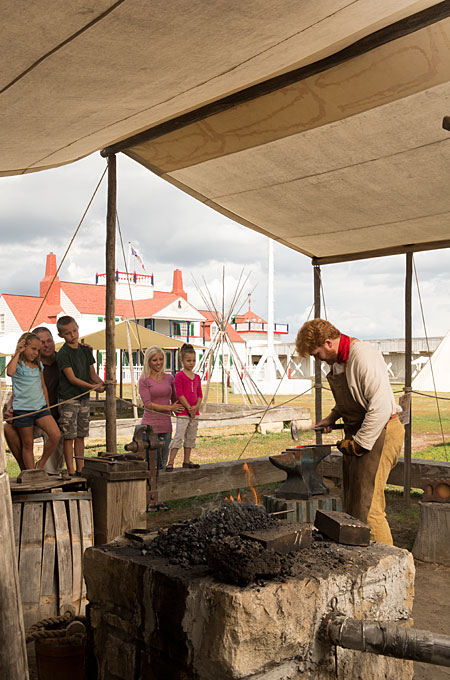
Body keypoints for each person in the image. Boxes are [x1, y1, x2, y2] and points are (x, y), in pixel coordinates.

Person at [295, 318, 404, 545]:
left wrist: (359, 443)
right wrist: (332, 417)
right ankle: (362, 558)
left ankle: (391, 564)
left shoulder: (363, 356)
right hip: (360, 434)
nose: (317, 360)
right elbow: (353, 398)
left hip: (381, 432)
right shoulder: (337, 363)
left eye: (316, 354)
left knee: (370, 508)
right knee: (354, 505)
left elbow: (381, 407)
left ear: (328, 343)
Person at [4, 326, 65, 472]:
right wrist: (17, 352)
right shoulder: (17, 364)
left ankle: (40, 465)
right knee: (28, 445)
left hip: (40, 408)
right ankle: (30, 473)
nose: (36, 352)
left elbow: (42, 387)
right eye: (33, 349)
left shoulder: (38, 365)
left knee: (55, 434)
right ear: (23, 346)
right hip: (24, 410)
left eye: (37, 350)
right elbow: (10, 372)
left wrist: (47, 408)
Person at [56, 316, 105, 475]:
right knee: (69, 435)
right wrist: (93, 387)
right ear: (61, 335)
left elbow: (92, 374)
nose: (73, 335)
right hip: (69, 399)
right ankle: (71, 471)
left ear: (78, 328)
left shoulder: (85, 350)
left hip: (84, 398)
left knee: (81, 435)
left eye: (74, 331)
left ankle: (80, 468)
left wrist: (103, 384)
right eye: (68, 333)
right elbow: (72, 379)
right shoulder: (63, 353)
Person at [138, 345, 183, 470]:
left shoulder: (169, 378)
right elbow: (148, 404)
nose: (159, 363)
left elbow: (176, 400)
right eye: (155, 360)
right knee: (150, 464)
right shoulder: (144, 380)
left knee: (163, 462)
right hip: (150, 427)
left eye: (161, 359)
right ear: (148, 361)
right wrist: (169, 408)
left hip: (166, 426)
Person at [167, 343, 203, 471]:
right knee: (179, 436)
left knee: (191, 436)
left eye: (193, 360)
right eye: (188, 361)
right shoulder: (179, 376)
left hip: (194, 412)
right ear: (182, 360)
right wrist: (189, 407)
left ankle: (186, 460)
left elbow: (200, 394)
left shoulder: (197, 377)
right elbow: (180, 394)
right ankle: (171, 461)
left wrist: (196, 407)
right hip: (183, 411)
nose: (191, 363)